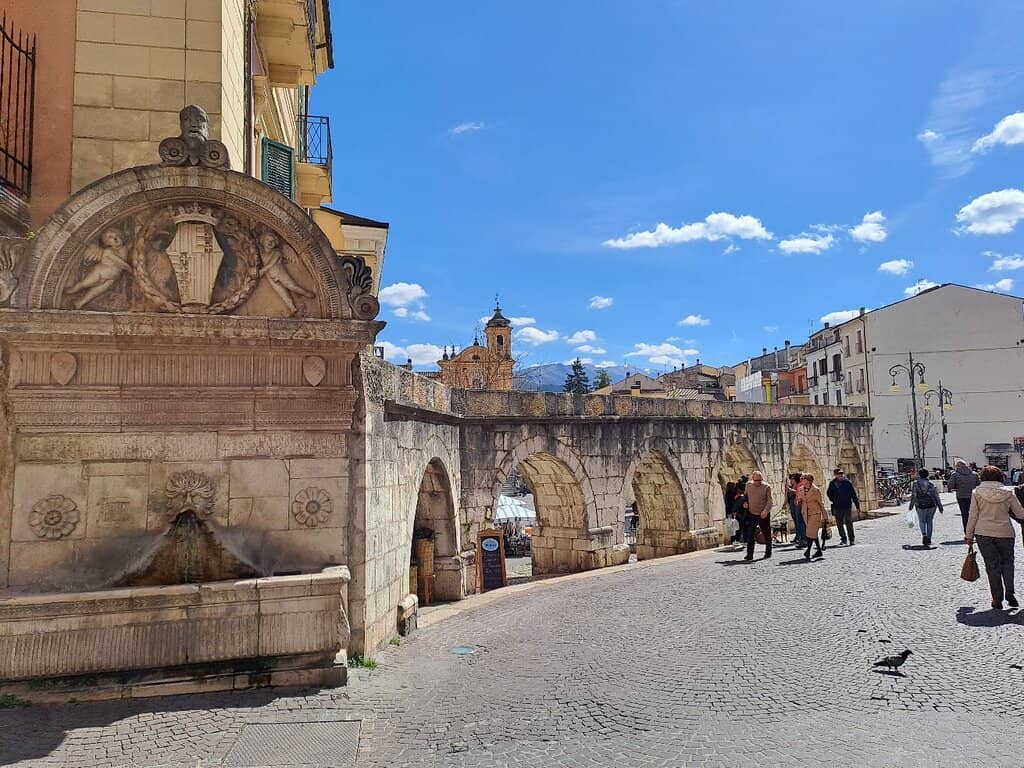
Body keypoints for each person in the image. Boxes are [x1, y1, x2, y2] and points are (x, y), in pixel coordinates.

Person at [965, 466, 1024, 610]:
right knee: (1008, 563)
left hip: (983, 532)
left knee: (992, 566)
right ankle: (1010, 593)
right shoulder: (1009, 493)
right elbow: (1020, 513)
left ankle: (997, 599)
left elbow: (973, 515)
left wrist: (969, 535)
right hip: (1005, 532)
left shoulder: (977, 493)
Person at [742, 471, 774, 561]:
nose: (758, 482)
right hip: (752, 513)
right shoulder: (748, 485)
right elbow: (745, 496)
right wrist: (745, 502)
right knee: (750, 534)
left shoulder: (766, 487)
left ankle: (768, 552)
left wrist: (766, 511)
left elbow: (770, 501)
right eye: (756, 480)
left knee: (766, 533)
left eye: (759, 480)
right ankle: (749, 554)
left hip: (763, 513)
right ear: (753, 479)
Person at [908, 467, 943, 547]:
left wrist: (911, 505)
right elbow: (936, 496)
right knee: (929, 521)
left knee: (922, 520)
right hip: (931, 505)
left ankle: (924, 534)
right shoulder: (931, 484)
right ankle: (929, 538)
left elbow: (914, 495)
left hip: (920, 504)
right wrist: (940, 506)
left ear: (919, 475)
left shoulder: (916, 484)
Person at [826, 467, 861, 545]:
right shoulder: (832, 483)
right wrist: (833, 500)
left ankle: (851, 539)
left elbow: (853, 494)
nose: (840, 475)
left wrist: (857, 505)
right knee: (839, 523)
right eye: (839, 474)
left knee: (849, 523)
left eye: (841, 474)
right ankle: (843, 539)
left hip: (847, 506)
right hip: (837, 506)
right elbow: (829, 493)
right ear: (835, 475)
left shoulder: (847, 482)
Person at [946, 460, 980, 533]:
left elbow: (951, 486)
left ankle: (967, 531)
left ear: (958, 466)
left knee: (965, 515)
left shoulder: (955, 474)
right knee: (974, 514)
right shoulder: (974, 474)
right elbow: (978, 484)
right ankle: (975, 530)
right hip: (973, 496)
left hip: (961, 496)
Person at [800, 474, 827, 560]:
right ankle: (819, 550)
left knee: (810, 533)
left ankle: (808, 550)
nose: (802, 481)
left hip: (815, 514)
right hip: (806, 514)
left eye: (803, 479)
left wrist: (825, 517)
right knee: (813, 533)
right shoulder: (801, 490)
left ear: (808, 480)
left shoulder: (815, 490)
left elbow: (821, 503)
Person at [787, 473, 807, 547]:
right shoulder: (796, 486)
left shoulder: (800, 485)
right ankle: (801, 538)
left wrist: (792, 491)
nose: (791, 480)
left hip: (799, 505)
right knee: (798, 522)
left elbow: (801, 494)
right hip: (795, 505)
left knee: (801, 523)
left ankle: (804, 539)